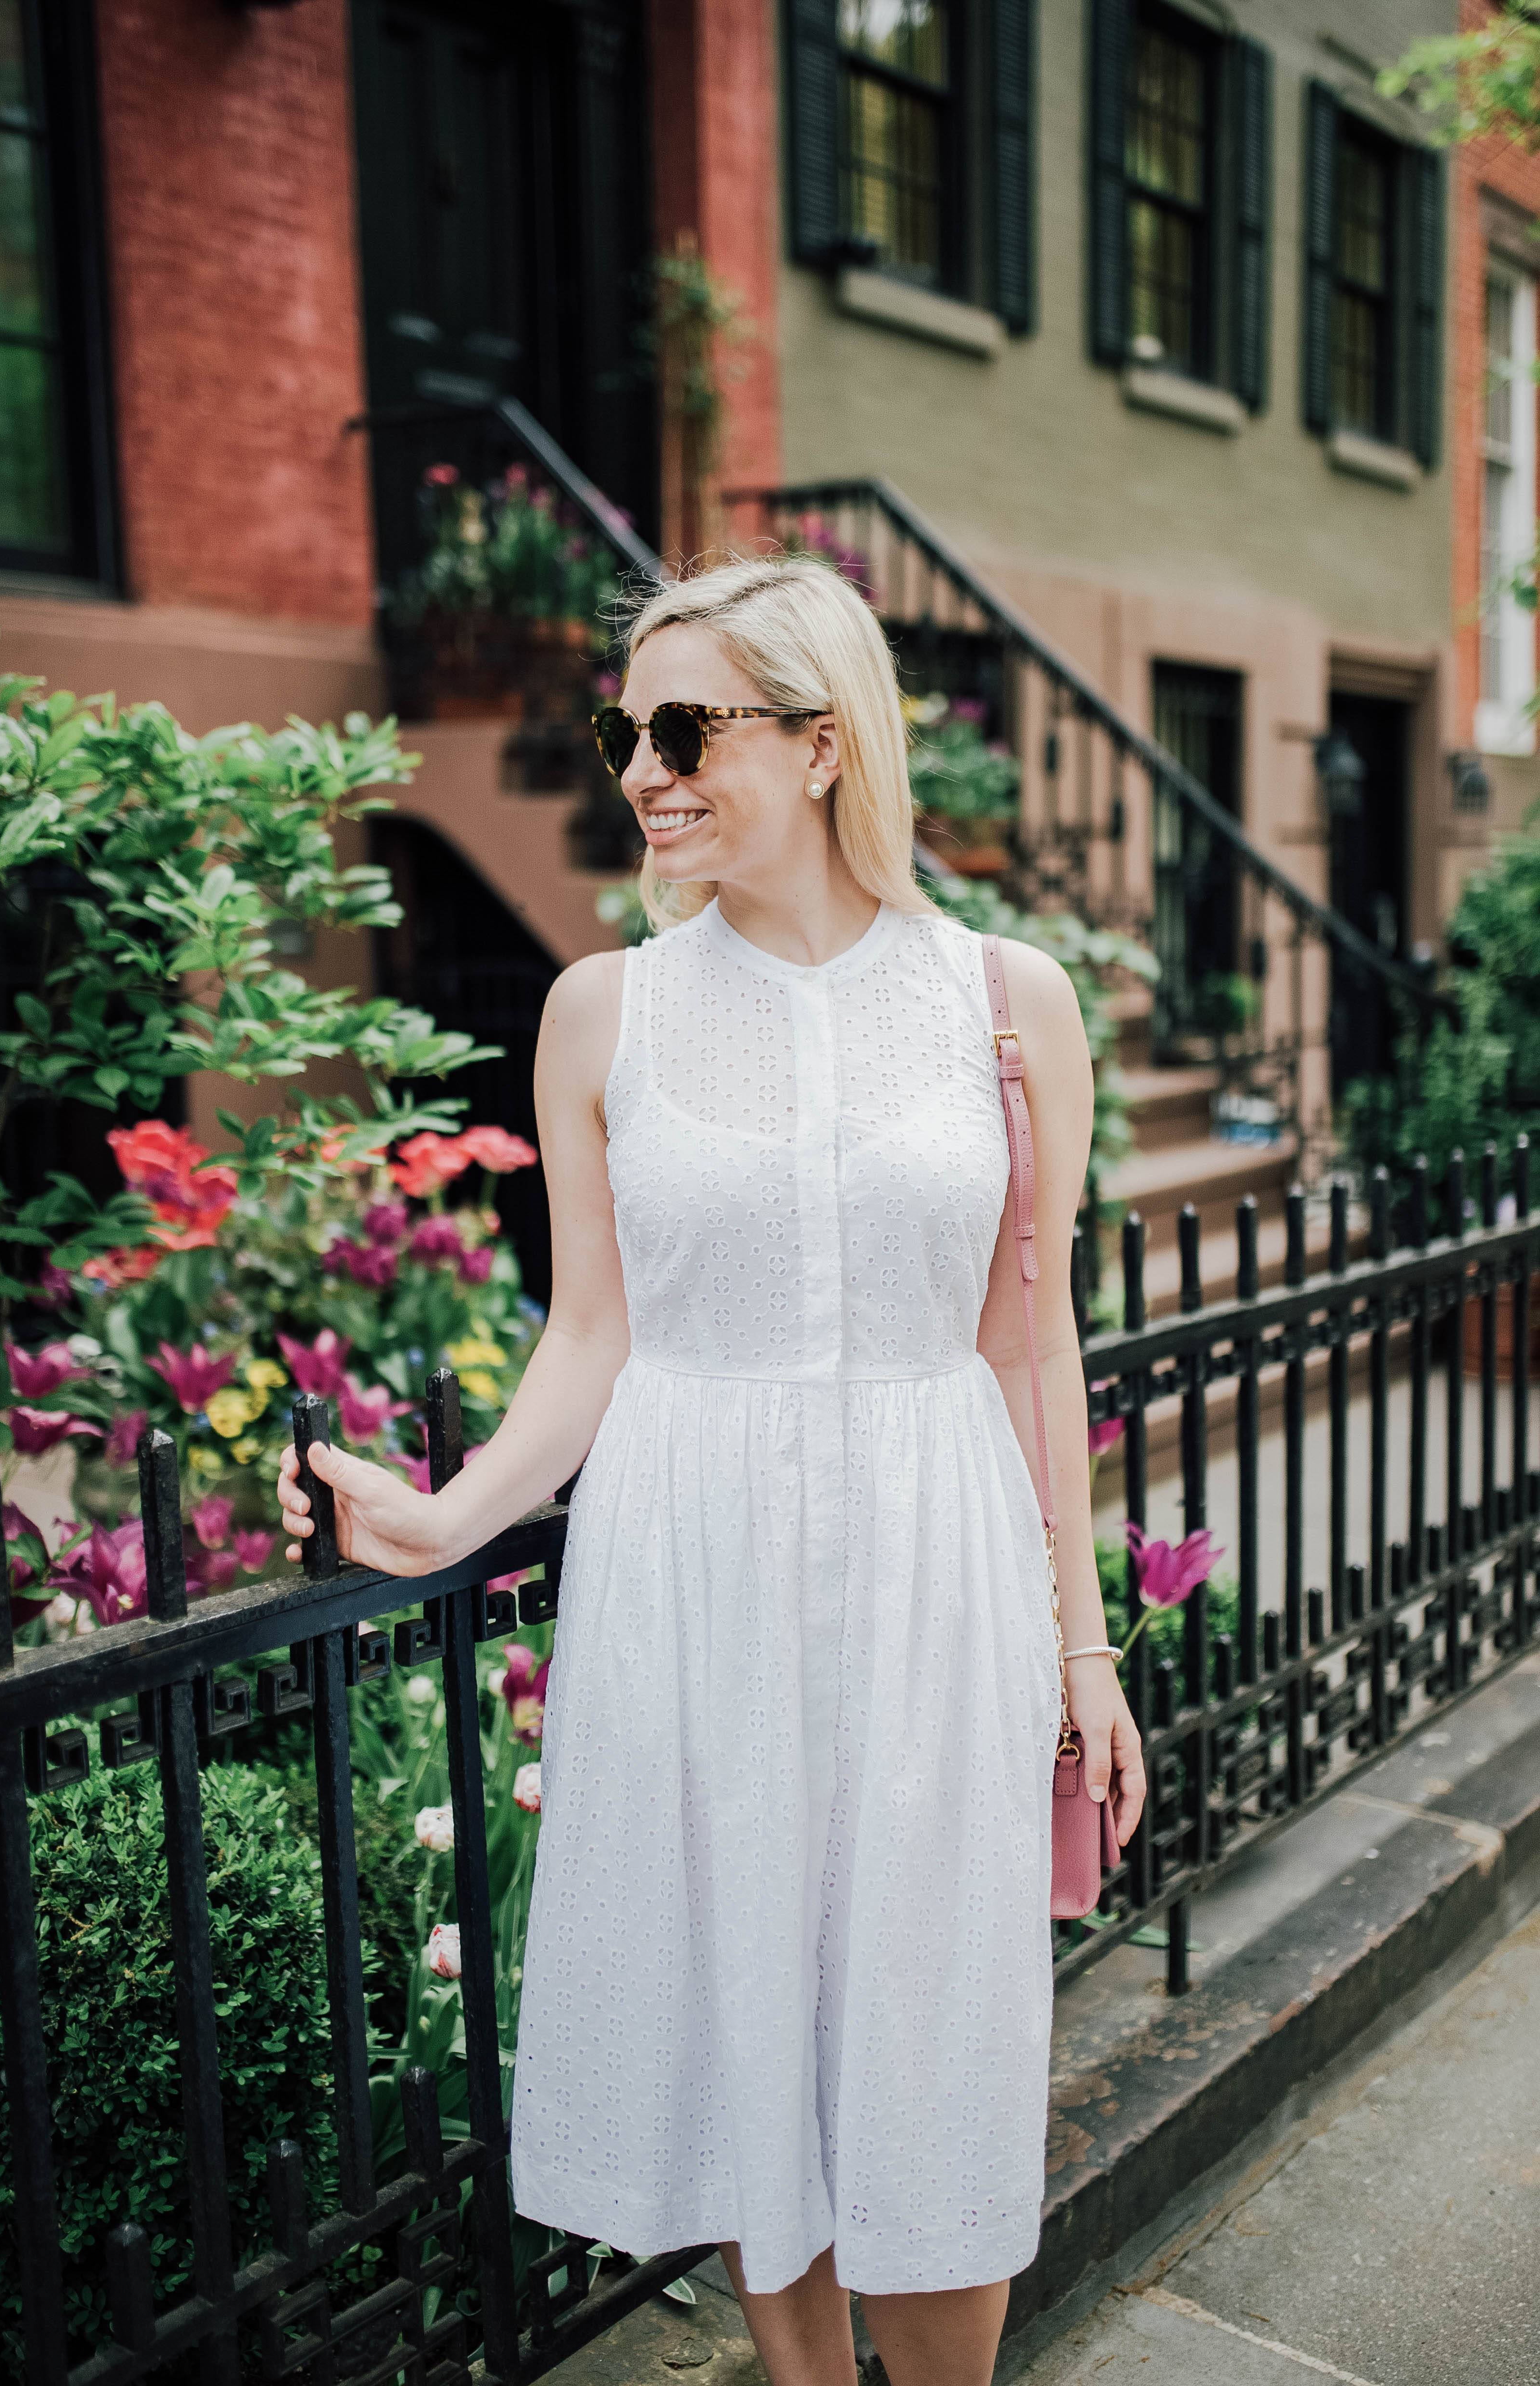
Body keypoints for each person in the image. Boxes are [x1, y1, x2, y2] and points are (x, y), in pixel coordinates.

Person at [276, 554, 1145, 2386]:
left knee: (925, 2047)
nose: (646, 770)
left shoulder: (1009, 1000)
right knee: (763, 2027)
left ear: (823, 745)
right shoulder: (606, 1013)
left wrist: (1085, 1651)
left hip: (934, 1567)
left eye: (688, 728)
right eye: (627, 732)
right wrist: (440, 1516)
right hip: (695, 1572)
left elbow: (1026, 1345)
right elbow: (595, 1335)